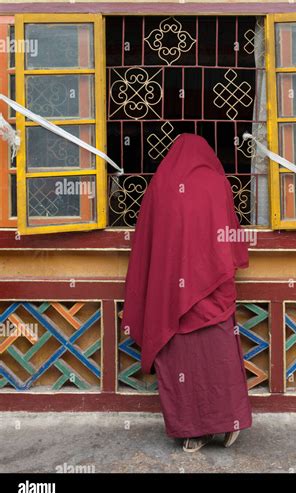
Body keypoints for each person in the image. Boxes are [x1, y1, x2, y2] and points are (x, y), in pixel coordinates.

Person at [122, 133, 252, 452]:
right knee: (218, 358)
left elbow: (147, 243)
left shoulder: (160, 186)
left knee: (182, 364)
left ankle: (193, 432)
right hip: (212, 295)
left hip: (171, 299)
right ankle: (228, 422)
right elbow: (231, 237)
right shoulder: (215, 182)